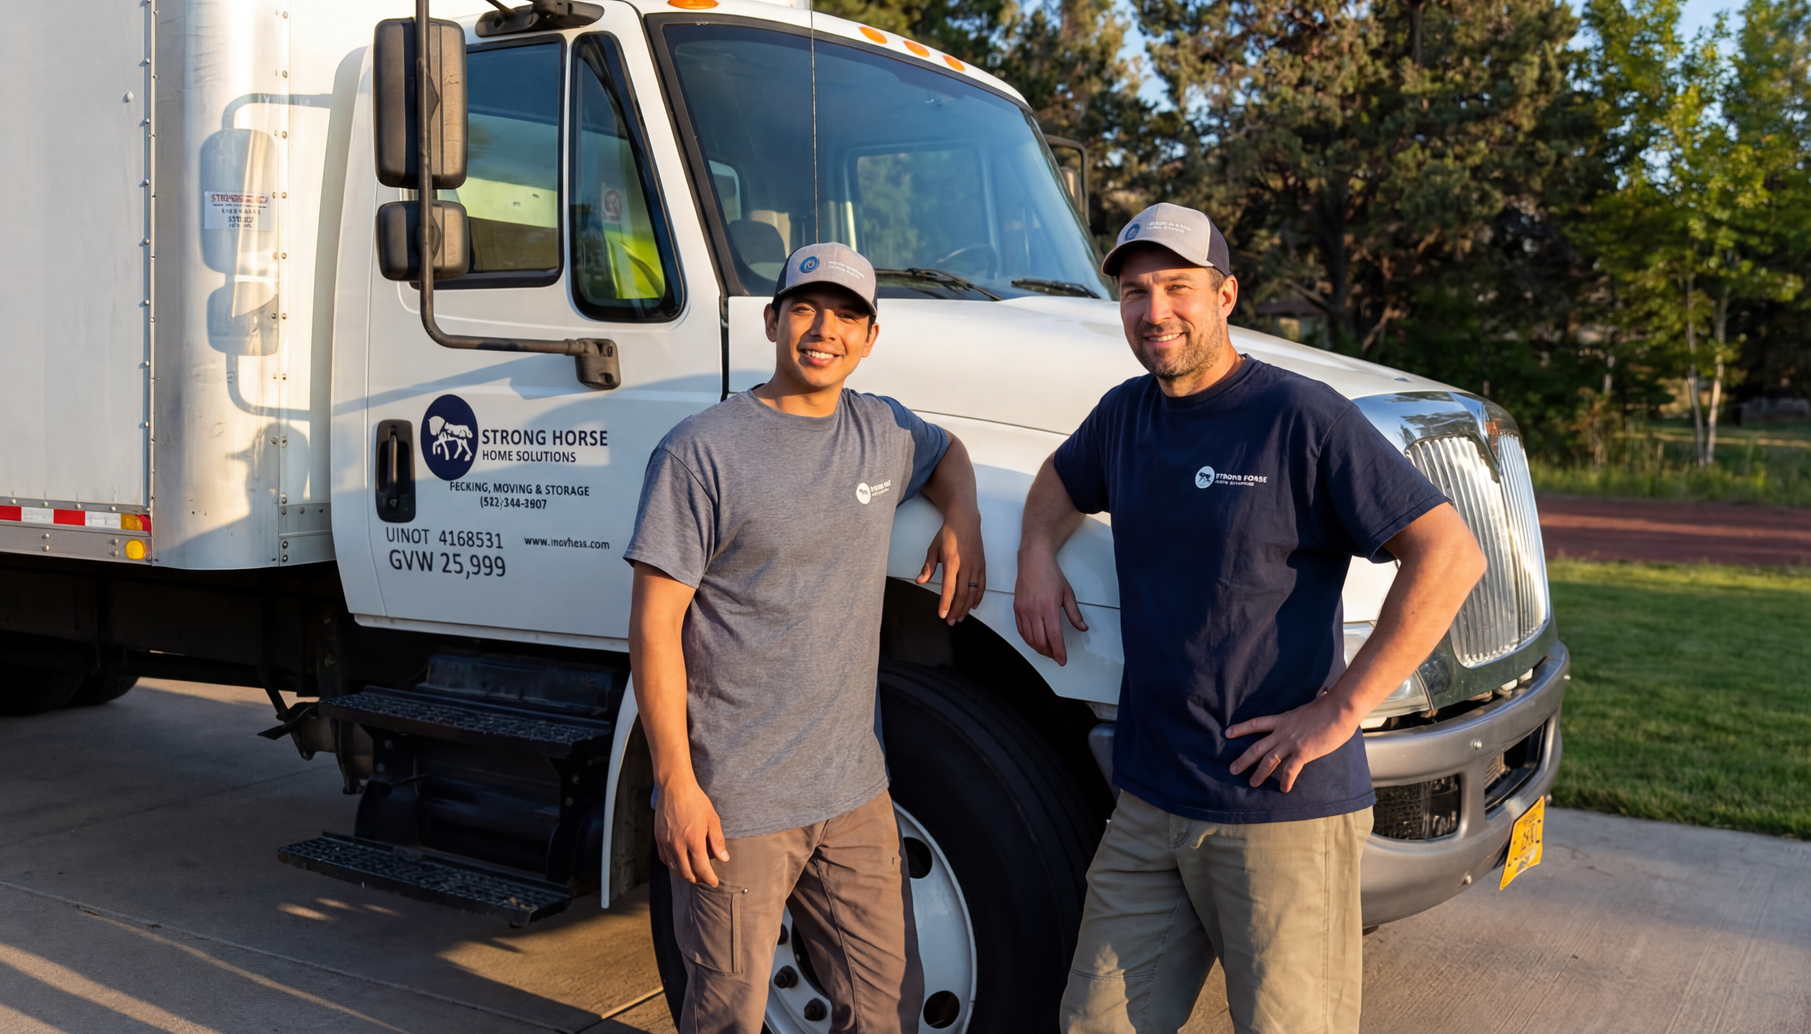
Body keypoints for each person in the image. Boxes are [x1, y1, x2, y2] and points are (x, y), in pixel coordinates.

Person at [1013, 204, 1488, 1034]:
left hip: (1281, 809)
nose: (1154, 311)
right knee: (1092, 1022)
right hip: (1151, 802)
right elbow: (1059, 476)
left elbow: (1450, 554)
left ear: (1226, 295)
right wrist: (1033, 558)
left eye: (1176, 287)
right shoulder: (1126, 415)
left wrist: (1340, 710)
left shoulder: (1300, 417)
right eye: (1134, 292)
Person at [627, 242, 986, 1034]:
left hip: (855, 794)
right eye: (806, 308)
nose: (824, 329)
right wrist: (676, 787)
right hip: (737, 801)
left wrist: (964, 519)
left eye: (847, 314)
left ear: (870, 338)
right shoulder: (701, 452)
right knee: (727, 1015)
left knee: (886, 1007)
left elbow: (949, 451)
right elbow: (655, 628)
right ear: (773, 321)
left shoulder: (882, 429)